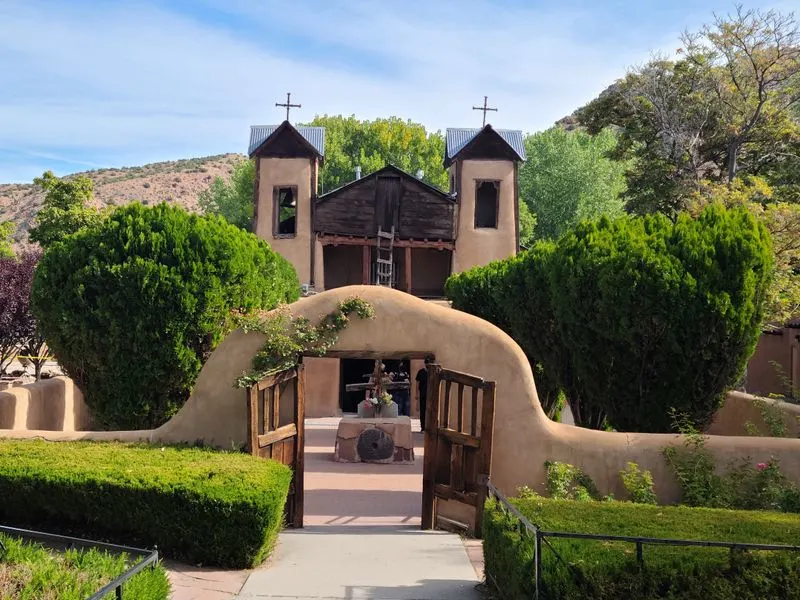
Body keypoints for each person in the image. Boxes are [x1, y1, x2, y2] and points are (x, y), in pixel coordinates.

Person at [415, 357, 434, 432]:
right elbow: (417, 383)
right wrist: (416, 394)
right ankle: (423, 427)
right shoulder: (421, 372)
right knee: (423, 412)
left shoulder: (432, 372)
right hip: (423, 395)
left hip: (431, 395)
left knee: (430, 412)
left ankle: (430, 428)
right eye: (426, 363)